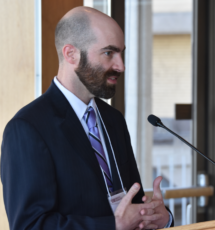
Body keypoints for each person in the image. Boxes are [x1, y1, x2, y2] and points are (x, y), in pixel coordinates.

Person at [1, 6, 173, 230]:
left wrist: (157, 216)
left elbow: (130, 201)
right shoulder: (27, 128)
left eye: (121, 53)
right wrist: (112, 226)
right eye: (109, 53)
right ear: (71, 54)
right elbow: (31, 225)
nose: (120, 66)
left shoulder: (114, 119)